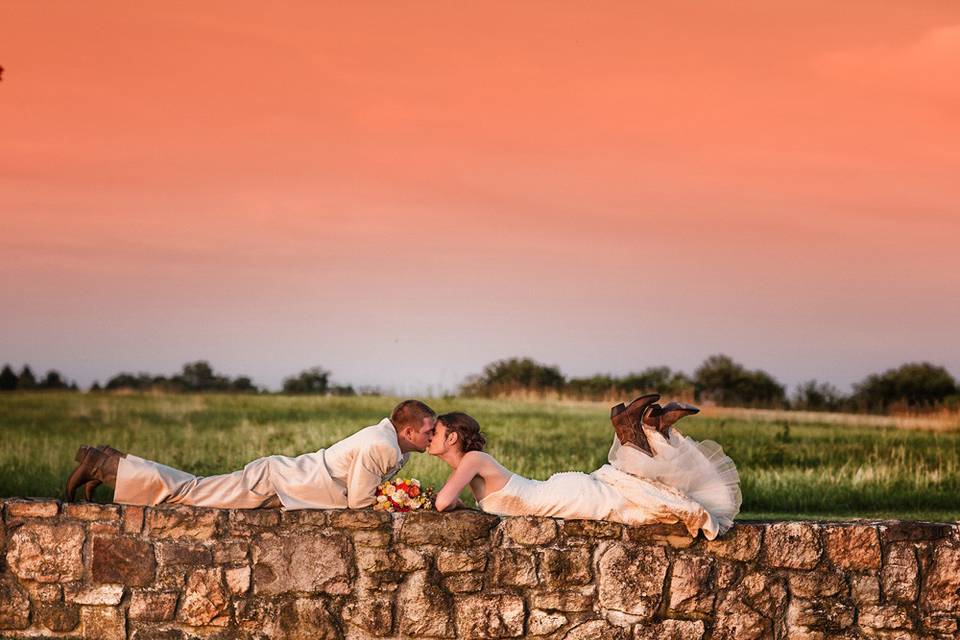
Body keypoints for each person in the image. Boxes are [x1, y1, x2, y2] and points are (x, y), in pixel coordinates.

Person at [428, 394, 741, 539]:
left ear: (453, 437)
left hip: (566, 495)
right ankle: (646, 427)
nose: (429, 440)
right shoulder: (470, 466)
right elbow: (453, 502)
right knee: (631, 496)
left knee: (634, 504)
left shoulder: (472, 460)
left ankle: (646, 429)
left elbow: (443, 503)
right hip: (562, 493)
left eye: (435, 434)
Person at [64, 399, 436, 510]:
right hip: (276, 482)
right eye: (428, 430)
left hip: (284, 484)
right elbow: (359, 502)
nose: (432, 436)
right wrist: (401, 505)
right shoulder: (381, 445)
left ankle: (109, 463)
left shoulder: (389, 443)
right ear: (407, 431)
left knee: (191, 491)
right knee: (189, 493)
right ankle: (104, 464)